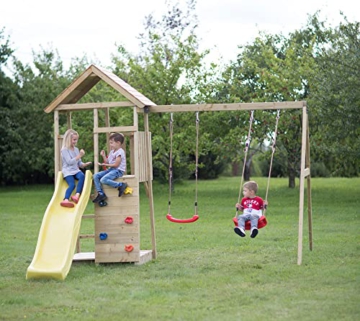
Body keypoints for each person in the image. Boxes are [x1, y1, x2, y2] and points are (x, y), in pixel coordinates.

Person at [60, 129, 92, 208]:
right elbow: (69, 162)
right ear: (68, 139)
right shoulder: (64, 150)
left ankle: (77, 195)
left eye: (76, 140)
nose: (75, 141)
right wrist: (79, 156)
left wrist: (83, 164)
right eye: (74, 139)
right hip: (68, 171)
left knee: (82, 176)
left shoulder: (76, 149)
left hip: (75, 170)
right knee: (72, 185)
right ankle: (66, 199)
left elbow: (79, 163)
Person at [93, 132, 127, 203]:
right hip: (111, 170)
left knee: (103, 180)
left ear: (118, 143)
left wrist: (104, 165)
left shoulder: (120, 152)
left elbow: (116, 165)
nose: (110, 144)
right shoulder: (112, 151)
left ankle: (121, 185)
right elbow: (108, 162)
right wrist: (103, 156)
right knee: (95, 176)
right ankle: (101, 194)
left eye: (111, 143)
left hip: (118, 171)